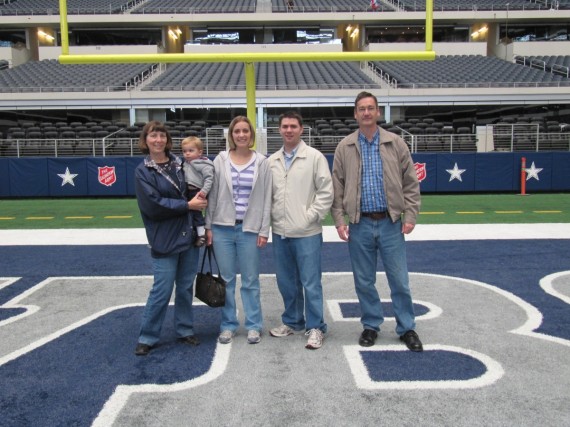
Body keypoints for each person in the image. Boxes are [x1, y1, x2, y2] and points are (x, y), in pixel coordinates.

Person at [331, 91, 423, 352]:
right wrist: (339, 220)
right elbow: (337, 187)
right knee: (363, 280)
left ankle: (406, 327)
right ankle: (371, 324)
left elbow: (410, 183)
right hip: (359, 224)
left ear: (378, 112)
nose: (367, 113)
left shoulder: (396, 143)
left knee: (399, 280)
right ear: (355, 114)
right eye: (362, 109)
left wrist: (411, 215)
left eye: (371, 108)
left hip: (390, 222)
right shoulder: (345, 146)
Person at [134, 120, 208, 356]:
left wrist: (200, 225)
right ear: (145, 140)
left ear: (167, 139)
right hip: (163, 238)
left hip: (188, 236)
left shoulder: (181, 163)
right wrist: (187, 205)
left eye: (162, 136)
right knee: (162, 289)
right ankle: (148, 335)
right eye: (153, 136)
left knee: (185, 287)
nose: (158, 140)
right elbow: (152, 205)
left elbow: (196, 191)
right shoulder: (143, 170)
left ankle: (185, 330)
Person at [268, 111, 333, 350]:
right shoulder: (272, 160)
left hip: (307, 232)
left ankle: (316, 326)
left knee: (311, 282)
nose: (288, 130)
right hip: (281, 232)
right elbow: (269, 196)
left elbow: (326, 191)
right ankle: (293, 320)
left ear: (301, 129)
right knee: (286, 281)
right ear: (279, 130)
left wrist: (310, 216)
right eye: (284, 126)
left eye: (293, 126)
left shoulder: (314, 157)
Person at [205, 116, 272, 345]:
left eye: (245, 131)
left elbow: (266, 198)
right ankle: (228, 324)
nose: (241, 135)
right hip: (222, 228)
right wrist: (208, 227)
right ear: (231, 135)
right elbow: (212, 195)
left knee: (251, 280)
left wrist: (264, 230)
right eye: (237, 131)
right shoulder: (220, 160)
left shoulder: (262, 162)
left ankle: (253, 325)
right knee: (226, 280)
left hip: (249, 228)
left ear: (251, 134)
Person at [181, 136, 214, 247]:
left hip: (197, 191)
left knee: (196, 212)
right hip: (187, 191)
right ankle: (193, 231)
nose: (187, 153)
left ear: (200, 152)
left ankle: (201, 235)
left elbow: (209, 179)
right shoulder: (185, 163)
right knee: (188, 211)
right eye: (184, 151)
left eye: (191, 150)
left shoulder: (203, 164)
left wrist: (203, 192)